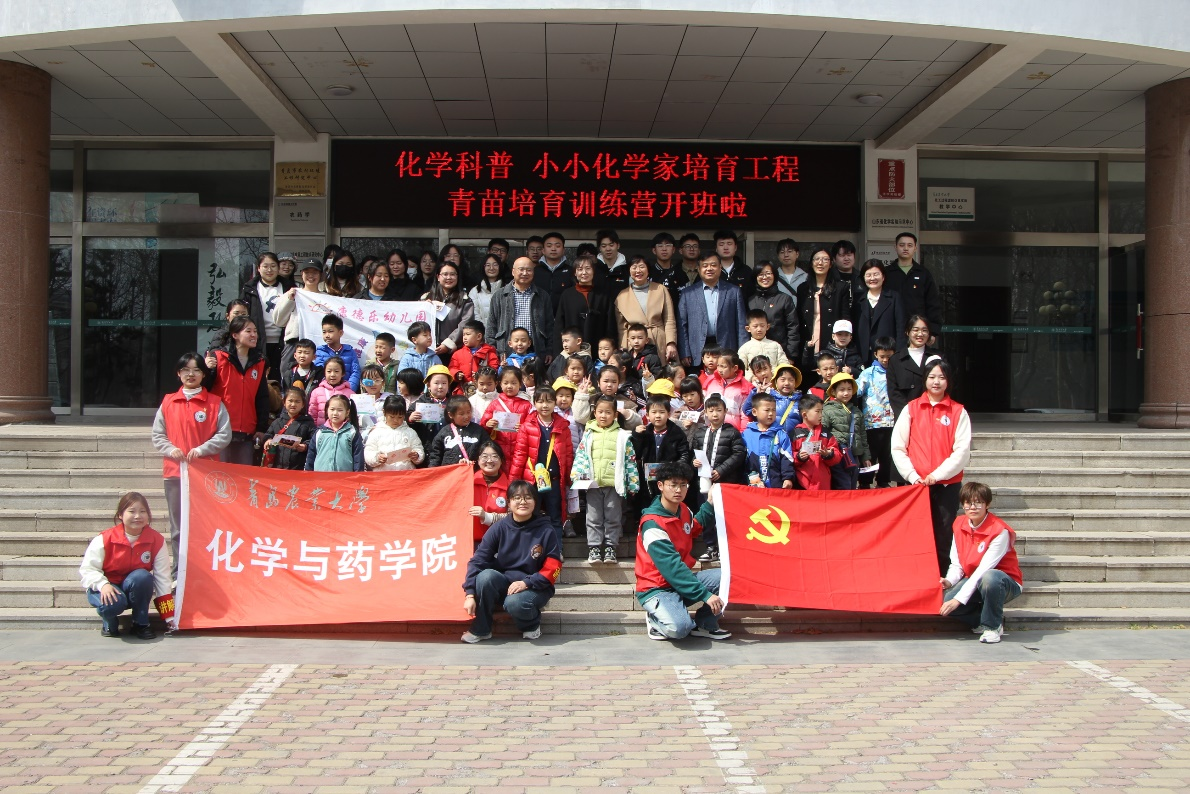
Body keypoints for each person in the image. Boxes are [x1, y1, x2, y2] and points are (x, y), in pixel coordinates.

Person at [151, 353, 231, 582]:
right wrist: (170, 449)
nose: (191, 374)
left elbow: (224, 434)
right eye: (186, 370)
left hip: (205, 474)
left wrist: (202, 449)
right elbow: (158, 435)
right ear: (179, 374)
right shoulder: (168, 402)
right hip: (175, 473)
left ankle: (206, 572)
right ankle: (179, 572)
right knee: (178, 526)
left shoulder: (214, 403)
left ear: (203, 375)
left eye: (196, 370)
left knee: (205, 524)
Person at [892, 358, 972, 574]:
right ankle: (916, 575)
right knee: (915, 531)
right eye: (932, 377)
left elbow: (962, 451)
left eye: (941, 377)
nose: (936, 382)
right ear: (925, 380)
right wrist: (912, 475)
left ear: (948, 381)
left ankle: (942, 577)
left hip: (946, 484)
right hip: (916, 484)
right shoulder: (911, 409)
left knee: (944, 532)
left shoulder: (958, 411)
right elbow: (898, 446)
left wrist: (937, 475)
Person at [635, 461, 730, 641]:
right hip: (656, 588)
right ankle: (655, 618)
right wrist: (705, 595)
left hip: (678, 584)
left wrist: (710, 502)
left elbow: (693, 528)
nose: (678, 490)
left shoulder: (683, 510)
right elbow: (672, 567)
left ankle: (705, 624)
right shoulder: (652, 523)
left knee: (728, 577)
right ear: (660, 485)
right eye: (673, 485)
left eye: (683, 485)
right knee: (680, 629)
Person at [461, 480, 562, 642]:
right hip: (505, 584)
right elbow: (478, 561)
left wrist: (527, 583)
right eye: (517, 498)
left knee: (515, 603)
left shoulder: (546, 530)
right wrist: (470, 594)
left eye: (528, 497)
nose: (523, 502)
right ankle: (482, 629)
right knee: (485, 576)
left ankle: (531, 625)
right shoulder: (499, 528)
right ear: (509, 503)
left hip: (535, 586)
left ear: (535, 502)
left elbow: (554, 565)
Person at [940, 482, 1024, 644]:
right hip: (974, 580)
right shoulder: (959, 523)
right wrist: (949, 581)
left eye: (978, 502)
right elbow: (956, 562)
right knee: (945, 601)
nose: (973, 507)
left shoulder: (999, 531)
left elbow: (983, 570)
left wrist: (958, 600)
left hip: (1003, 582)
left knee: (990, 577)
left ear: (987, 505)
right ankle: (982, 620)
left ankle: (992, 627)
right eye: (968, 503)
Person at [79, 492, 171, 639]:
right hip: (106, 588)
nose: (137, 516)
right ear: (120, 515)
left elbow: (163, 578)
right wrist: (103, 585)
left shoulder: (157, 540)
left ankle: (141, 623)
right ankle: (109, 622)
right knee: (112, 604)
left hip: (132, 587)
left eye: (142, 511)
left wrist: (169, 615)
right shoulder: (105, 538)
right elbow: (88, 569)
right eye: (132, 511)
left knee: (143, 577)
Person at [571, 393, 642, 564]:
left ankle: (611, 547)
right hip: (593, 485)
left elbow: (630, 460)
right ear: (594, 413)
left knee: (613, 517)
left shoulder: (622, 435)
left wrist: (633, 483)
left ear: (615, 415)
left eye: (608, 412)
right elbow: (581, 456)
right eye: (600, 412)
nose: (603, 416)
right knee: (593, 517)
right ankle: (594, 547)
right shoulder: (589, 434)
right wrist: (576, 475)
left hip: (614, 485)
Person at [511, 386, 574, 546]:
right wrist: (514, 482)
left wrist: (569, 478)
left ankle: (556, 551)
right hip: (532, 481)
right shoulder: (527, 426)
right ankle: (531, 551)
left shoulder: (562, 426)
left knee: (555, 516)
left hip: (554, 480)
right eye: (540, 401)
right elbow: (519, 455)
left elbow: (568, 454)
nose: (544, 405)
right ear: (534, 403)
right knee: (531, 515)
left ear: (555, 403)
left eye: (549, 401)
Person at [203, 316, 269, 465]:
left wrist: (261, 427)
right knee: (220, 474)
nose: (254, 335)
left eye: (255, 331)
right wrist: (206, 370)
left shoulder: (259, 362)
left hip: (247, 432)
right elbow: (204, 390)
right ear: (235, 335)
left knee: (243, 476)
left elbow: (262, 397)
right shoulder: (218, 357)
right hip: (219, 430)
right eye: (248, 331)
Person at [689, 395, 746, 562]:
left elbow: (739, 454)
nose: (715, 414)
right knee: (707, 513)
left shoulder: (731, 432)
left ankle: (725, 548)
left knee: (725, 515)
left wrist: (721, 470)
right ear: (705, 412)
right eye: (711, 411)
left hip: (726, 481)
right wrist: (694, 461)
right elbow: (693, 453)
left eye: (719, 410)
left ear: (725, 411)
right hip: (705, 481)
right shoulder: (700, 433)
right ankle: (710, 547)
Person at [677, 253, 747, 368]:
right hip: (697, 350)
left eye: (713, 265)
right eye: (705, 266)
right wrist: (685, 352)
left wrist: (743, 352)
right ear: (698, 269)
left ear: (720, 268)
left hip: (726, 347)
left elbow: (741, 324)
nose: (709, 268)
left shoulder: (733, 291)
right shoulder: (687, 293)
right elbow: (682, 325)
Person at [631, 393, 693, 516]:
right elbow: (636, 454)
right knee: (648, 506)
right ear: (647, 415)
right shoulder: (645, 433)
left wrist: (675, 470)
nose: (658, 416)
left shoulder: (676, 433)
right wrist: (637, 436)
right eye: (654, 412)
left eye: (662, 412)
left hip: (669, 478)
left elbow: (684, 454)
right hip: (647, 480)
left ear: (669, 414)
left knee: (668, 506)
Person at [614, 256, 679, 361]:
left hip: (659, 340)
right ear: (629, 271)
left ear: (648, 270)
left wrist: (671, 343)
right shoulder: (622, 296)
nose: (638, 271)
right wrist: (624, 348)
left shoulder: (660, 289)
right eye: (634, 267)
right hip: (635, 343)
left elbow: (669, 319)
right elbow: (622, 328)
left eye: (641, 267)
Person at [796, 246, 848, 378]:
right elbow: (799, 319)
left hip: (831, 342)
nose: (820, 263)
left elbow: (845, 318)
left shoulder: (840, 288)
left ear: (831, 264)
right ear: (811, 263)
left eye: (825, 259)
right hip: (808, 341)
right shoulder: (803, 288)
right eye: (817, 259)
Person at [883, 232, 942, 344]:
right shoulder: (886, 273)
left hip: (917, 330)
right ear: (895, 247)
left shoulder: (923, 273)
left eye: (910, 245)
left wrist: (933, 331)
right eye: (902, 245)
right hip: (891, 329)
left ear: (915, 248)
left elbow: (933, 303)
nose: (906, 248)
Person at [490, 257, 554, 359]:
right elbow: (491, 326)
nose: (525, 273)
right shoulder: (500, 295)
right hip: (506, 352)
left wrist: (549, 350)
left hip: (536, 350)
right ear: (513, 272)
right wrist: (492, 352)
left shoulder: (542, 296)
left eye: (529, 270)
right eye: (521, 269)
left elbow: (550, 326)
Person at [273, 257, 327, 376]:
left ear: (321, 275)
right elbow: (278, 321)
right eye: (307, 272)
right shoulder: (291, 294)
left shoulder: (327, 298)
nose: (310, 276)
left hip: (318, 343)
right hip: (294, 344)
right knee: (289, 379)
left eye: (315, 272)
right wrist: (290, 300)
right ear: (301, 274)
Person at [855, 338, 898, 488]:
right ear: (875, 355)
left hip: (892, 421)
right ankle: (865, 482)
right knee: (870, 454)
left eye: (889, 356)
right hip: (872, 422)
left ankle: (883, 481)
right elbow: (857, 390)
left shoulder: (897, 372)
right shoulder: (868, 373)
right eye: (882, 356)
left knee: (887, 454)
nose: (885, 360)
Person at [242, 251, 291, 379]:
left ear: (278, 268)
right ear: (258, 268)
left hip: (283, 341)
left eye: (273, 266)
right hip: (257, 342)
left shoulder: (289, 287)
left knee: (280, 378)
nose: (269, 270)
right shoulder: (250, 289)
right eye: (265, 266)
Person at [554, 254, 612, 359]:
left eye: (588, 268)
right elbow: (559, 324)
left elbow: (609, 324)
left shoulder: (603, 295)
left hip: (598, 348)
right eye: (580, 269)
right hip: (572, 350)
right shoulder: (567, 295)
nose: (584, 272)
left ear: (593, 271)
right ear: (575, 273)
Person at [887, 315, 944, 418]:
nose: (920, 334)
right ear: (907, 332)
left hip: (934, 416)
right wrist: (909, 415)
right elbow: (894, 393)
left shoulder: (937, 357)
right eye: (916, 330)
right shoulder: (896, 360)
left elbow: (945, 386)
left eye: (924, 330)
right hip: (906, 417)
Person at [821, 372, 870, 491]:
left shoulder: (857, 411)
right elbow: (823, 433)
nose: (846, 393)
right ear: (833, 392)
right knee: (843, 484)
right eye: (842, 390)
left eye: (849, 389)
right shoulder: (827, 409)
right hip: (837, 454)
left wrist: (866, 457)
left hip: (854, 454)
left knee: (852, 483)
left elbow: (862, 436)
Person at [853, 259, 906, 363]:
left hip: (887, 356)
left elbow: (901, 328)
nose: (872, 278)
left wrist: (899, 354)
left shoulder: (894, 298)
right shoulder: (858, 300)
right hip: (862, 356)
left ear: (883, 277)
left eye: (876, 274)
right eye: (868, 275)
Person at [421, 261, 475, 363]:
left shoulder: (465, 300)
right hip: (428, 350)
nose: (449, 277)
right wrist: (424, 307)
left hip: (454, 353)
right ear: (438, 277)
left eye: (452, 274)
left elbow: (465, 324)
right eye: (445, 274)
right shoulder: (425, 298)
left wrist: (448, 344)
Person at [480, 365, 532, 471]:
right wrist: (488, 425)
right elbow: (483, 425)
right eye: (506, 383)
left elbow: (533, 426)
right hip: (499, 449)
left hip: (520, 449)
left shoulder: (527, 405)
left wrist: (523, 428)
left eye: (514, 383)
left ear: (520, 384)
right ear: (500, 384)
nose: (509, 386)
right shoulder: (495, 403)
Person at [741, 392, 796, 489]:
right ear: (754, 412)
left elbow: (787, 458)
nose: (771, 413)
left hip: (776, 484)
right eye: (767, 410)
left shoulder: (781, 434)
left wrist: (788, 478)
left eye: (774, 410)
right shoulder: (746, 434)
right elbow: (741, 459)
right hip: (752, 485)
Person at [748, 260, 800, 361]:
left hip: (780, 354)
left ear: (775, 276)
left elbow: (793, 328)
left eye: (768, 273)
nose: (764, 277)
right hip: (755, 355)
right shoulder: (750, 300)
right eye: (760, 274)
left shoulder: (785, 299)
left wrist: (790, 356)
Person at [792, 395, 843, 490]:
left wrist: (828, 454)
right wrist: (799, 457)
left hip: (823, 483)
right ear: (804, 415)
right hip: (802, 483)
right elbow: (789, 456)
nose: (821, 415)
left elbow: (837, 454)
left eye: (821, 411)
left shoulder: (826, 433)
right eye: (817, 411)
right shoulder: (795, 433)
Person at [364, 394, 423, 472]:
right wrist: (377, 458)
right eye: (392, 417)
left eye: (400, 417)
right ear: (384, 412)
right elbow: (369, 452)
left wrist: (417, 455)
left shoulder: (410, 432)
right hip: (383, 474)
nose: (396, 420)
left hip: (405, 474)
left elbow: (418, 448)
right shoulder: (376, 432)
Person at [305, 394, 364, 471]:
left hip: (345, 477)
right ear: (327, 410)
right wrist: (308, 473)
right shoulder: (320, 432)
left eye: (340, 410)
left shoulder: (352, 432)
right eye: (332, 409)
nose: (335, 413)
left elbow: (358, 458)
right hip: (320, 476)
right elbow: (311, 455)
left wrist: (358, 475)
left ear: (347, 412)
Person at [263, 387, 315, 470]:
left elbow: (314, 440)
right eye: (290, 401)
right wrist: (268, 440)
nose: (293, 404)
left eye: (297, 401)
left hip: (298, 467)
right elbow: (268, 435)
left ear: (303, 404)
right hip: (277, 466)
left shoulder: (308, 423)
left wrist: (305, 446)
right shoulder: (277, 422)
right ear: (284, 402)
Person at [470, 440, 510, 546]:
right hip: (469, 542)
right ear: (478, 460)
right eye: (484, 456)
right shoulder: (468, 482)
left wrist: (487, 516)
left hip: (498, 544)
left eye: (494, 456)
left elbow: (513, 517)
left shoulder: (510, 487)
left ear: (501, 460)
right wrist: (461, 470)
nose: (489, 460)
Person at [427, 395, 486, 467]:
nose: (466, 416)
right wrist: (433, 470)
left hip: (473, 471)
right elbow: (435, 455)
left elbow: (487, 450)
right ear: (451, 415)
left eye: (468, 412)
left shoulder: (479, 430)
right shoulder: (444, 432)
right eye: (461, 414)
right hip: (450, 472)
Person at [410, 364, 453, 454]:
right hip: (428, 443)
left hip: (449, 444)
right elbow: (409, 415)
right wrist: (411, 418)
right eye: (436, 383)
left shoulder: (453, 402)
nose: (440, 386)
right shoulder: (422, 402)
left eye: (444, 383)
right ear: (428, 385)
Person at [314, 313, 362, 391]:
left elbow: (355, 372)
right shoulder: (320, 352)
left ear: (340, 333)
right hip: (327, 392)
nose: (327, 335)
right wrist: (329, 390)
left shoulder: (350, 351)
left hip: (346, 392)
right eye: (324, 332)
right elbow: (319, 373)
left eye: (330, 331)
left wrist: (348, 389)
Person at [706, 351, 752, 432]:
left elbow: (745, 415)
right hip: (711, 430)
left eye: (723, 367)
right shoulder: (711, 381)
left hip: (732, 432)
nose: (719, 370)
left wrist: (742, 433)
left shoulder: (744, 387)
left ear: (735, 368)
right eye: (718, 366)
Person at [737, 309, 791, 377]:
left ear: (767, 327)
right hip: (754, 382)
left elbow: (784, 365)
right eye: (755, 326)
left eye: (762, 326)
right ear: (748, 328)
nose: (759, 329)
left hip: (773, 381)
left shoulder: (775, 345)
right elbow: (741, 369)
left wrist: (777, 376)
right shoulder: (744, 348)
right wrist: (751, 378)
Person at [449, 320, 500, 390]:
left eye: (468, 334)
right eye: (463, 335)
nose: (465, 337)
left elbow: (494, 370)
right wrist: (456, 374)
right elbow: (452, 368)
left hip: (483, 390)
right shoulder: (457, 354)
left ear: (479, 336)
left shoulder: (489, 353)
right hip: (463, 390)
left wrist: (481, 374)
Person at [308, 356, 354, 427]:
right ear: (324, 373)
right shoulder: (316, 392)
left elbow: (352, 416)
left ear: (343, 373)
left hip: (343, 431)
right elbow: (312, 414)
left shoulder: (350, 394)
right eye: (329, 371)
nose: (332, 375)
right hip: (321, 430)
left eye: (336, 371)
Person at [535, 231, 572, 312]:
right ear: (543, 250)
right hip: (539, 315)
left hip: (564, 316)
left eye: (558, 246)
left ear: (563, 250)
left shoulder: (571, 271)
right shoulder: (535, 271)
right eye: (549, 246)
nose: (553, 249)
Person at [468, 252, 509, 327]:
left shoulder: (508, 289)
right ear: (483, 267)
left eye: (495, 264)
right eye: (488, 265)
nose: (491, 268)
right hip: (481, 332)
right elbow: (475, 316)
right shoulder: (475, 291)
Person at [649, 232, 689, 306]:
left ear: (673, 249)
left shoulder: (681, 273)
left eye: (668, 245)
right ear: (654, 250)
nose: (664, 249)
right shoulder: (648, 273)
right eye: (660, 246)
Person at [714, 229, 753, 300]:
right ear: (716, 249)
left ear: (735, 247)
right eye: (721, 244)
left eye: (729, 244)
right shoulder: (710, 271)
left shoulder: (746, 271)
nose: (725, 248)